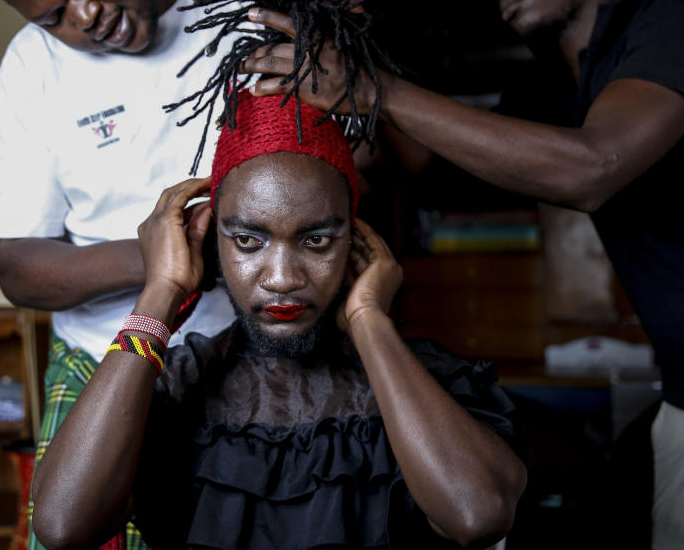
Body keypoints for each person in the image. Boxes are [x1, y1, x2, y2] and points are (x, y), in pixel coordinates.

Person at [241, 0, 684, 548]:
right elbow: (431, 167)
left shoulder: (680, 14)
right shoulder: (553, 89)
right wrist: (355, 55)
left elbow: (593, 167)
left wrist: (375, 90)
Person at [30, 89, 527, 550]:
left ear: (354, 240)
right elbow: (63, 525)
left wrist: (369, 320)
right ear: (210, 242)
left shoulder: (429, 382)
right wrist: (160, 292)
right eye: (248, 241)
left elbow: (477, 514)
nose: (283, 277)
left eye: (316, 240)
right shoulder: (176, 385)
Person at [0, 0, 265, 546]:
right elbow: (15, 265)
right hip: (102, 357)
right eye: (53, 15)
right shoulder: (31, 66)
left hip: (259, 350)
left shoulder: (245, 7)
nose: (82, 16)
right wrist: (165, 257)